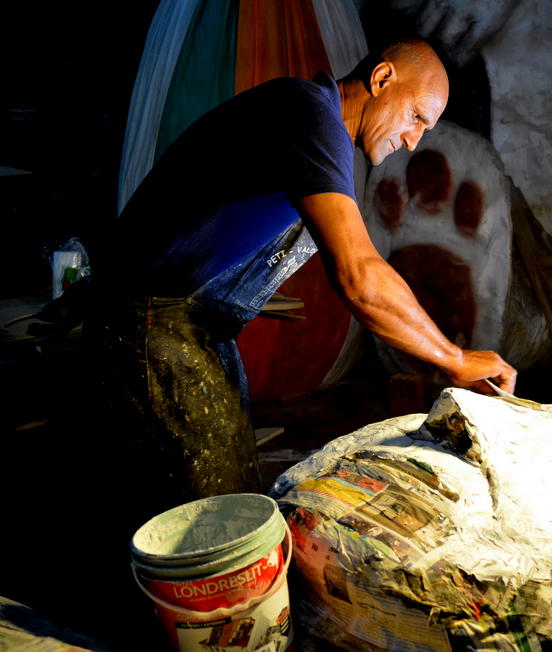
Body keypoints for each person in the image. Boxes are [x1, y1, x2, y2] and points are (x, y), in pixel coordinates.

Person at [82, 38, 517, 519]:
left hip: (194, 326)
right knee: (216, 523)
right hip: (152, 326)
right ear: (381, 79)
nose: (415, 140)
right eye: (416, 116)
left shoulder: (319, 126)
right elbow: (359, 275)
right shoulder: (308, 115)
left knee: (233, 500)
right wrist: (454, 359)